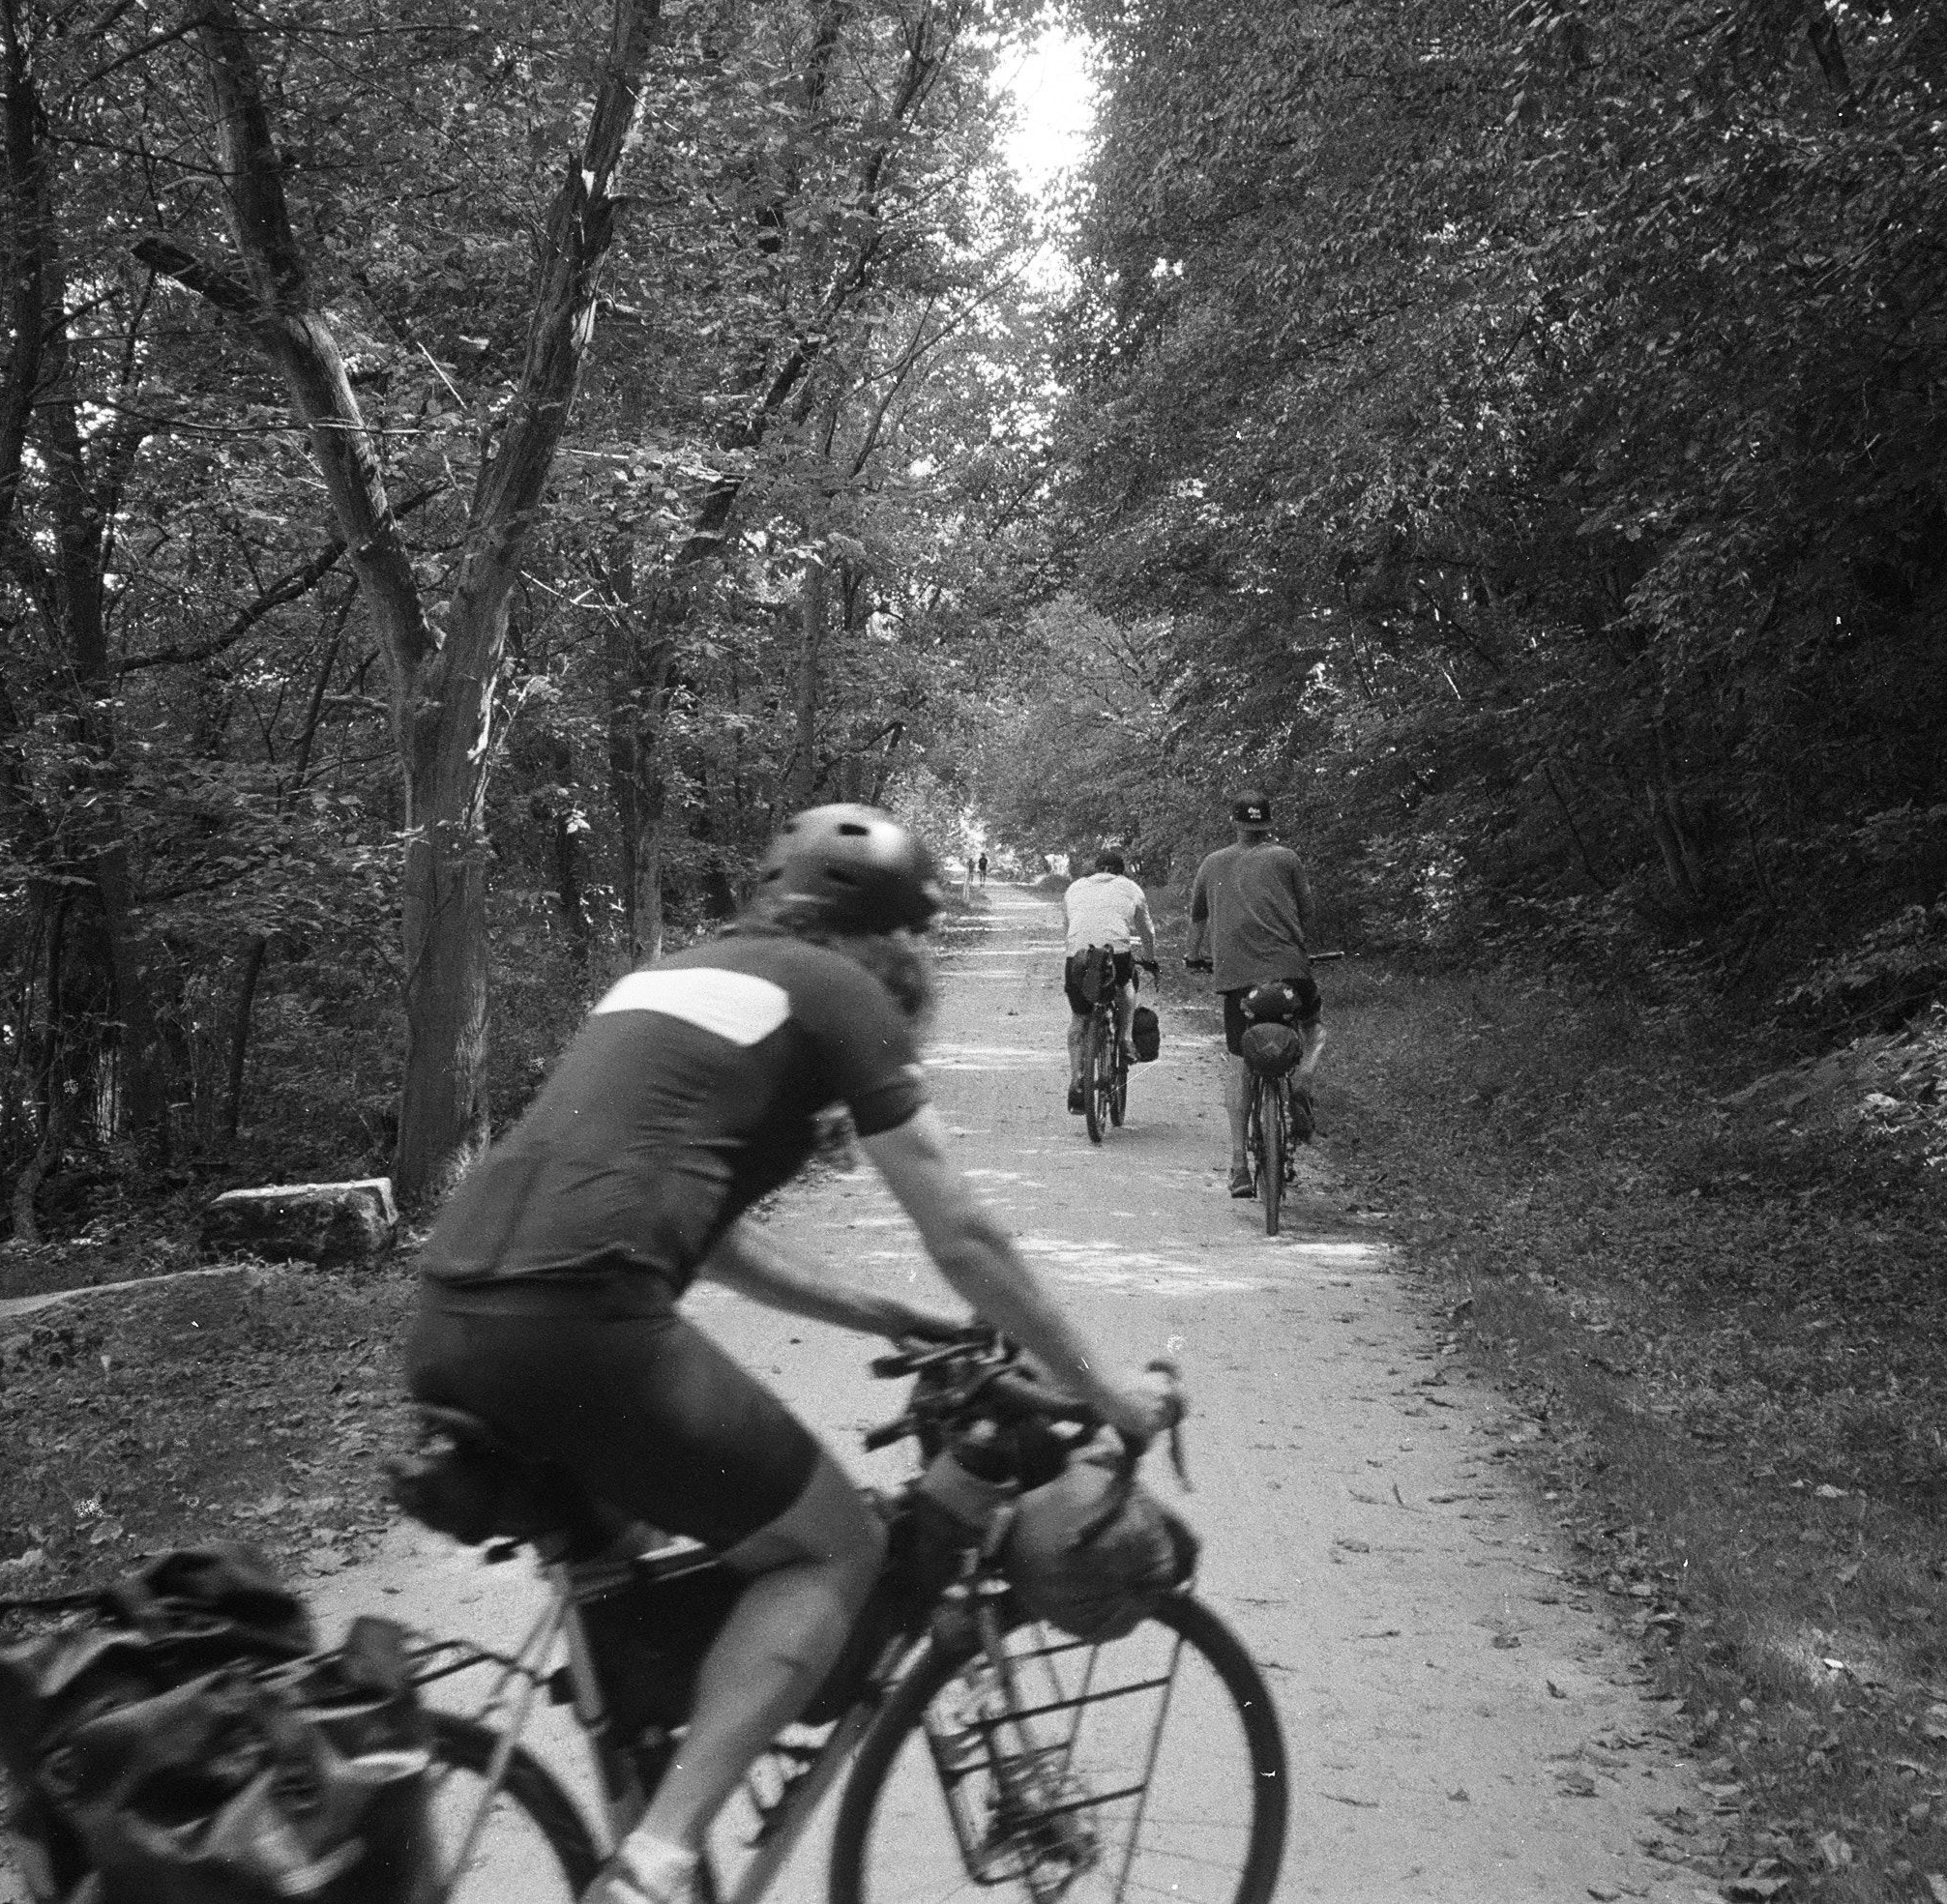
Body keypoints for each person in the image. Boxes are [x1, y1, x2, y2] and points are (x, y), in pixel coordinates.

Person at [406, 803, 1172, 1904]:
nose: (910, 963)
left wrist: (876, 1314)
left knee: (639, 1576)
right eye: (910, 940)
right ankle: (659, 1860)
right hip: (582, 1327)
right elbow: (959, 1228)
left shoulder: (672, 978)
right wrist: (1101, 1389)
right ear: (886, 932)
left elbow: (704, 1231)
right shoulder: (837, 990)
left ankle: (638, 1817)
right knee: (836, 1550)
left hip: (452, 1316)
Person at [1183, 793, 1320, 1198]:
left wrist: (1194, 956)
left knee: (1240, 1062)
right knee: (1313, 1031)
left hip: (1239, 981)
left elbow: (1198, 920)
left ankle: (1238, 1166)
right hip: (1289, 972)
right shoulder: (1287, 859)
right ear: (1269, 824)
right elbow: (1307, 913)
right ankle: (1301, 1083)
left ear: (1235, 823)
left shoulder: (1212, 863)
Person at [1059, 847, 1160, 1111]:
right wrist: (1149, 958)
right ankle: (1126, 1040)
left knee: (1079, 1019)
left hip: (1077, 957)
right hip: (1116, 955)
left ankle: (1077, 1080)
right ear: (1121, 871)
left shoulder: (1075, 888)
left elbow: (1068, 929)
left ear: (1095, 868)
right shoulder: (1131, 888)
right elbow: (1146, 930)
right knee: (1126, 985)